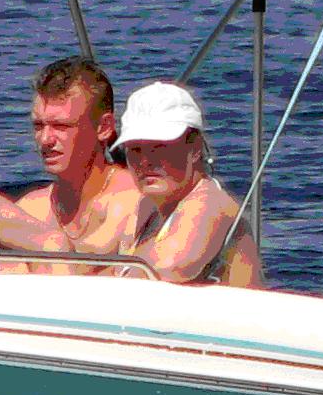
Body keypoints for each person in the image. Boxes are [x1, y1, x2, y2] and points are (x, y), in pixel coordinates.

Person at [0, 56, 141, 262]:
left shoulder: (136, 203)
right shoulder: (31, 209)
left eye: (61, 126)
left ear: (103, 128)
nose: (45, 140)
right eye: (38, 126)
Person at [108, 81, 262, 287]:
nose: (145, 161)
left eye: (160, 147)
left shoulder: (211, 203)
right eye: (136, 150)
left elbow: (171, 266)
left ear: (195, 148)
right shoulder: (146, 209)